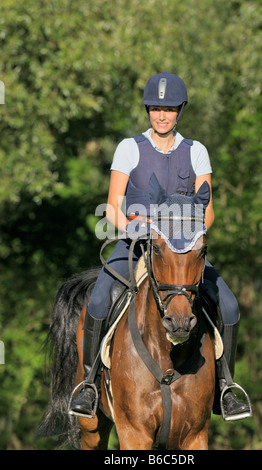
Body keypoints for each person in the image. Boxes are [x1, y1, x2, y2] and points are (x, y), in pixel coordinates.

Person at [70, 71, 251, 421]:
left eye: (168, 109)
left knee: (227, 305)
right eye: (155, 108)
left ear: (180, 110)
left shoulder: (196, 151)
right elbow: (112, 207)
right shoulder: (128, 148)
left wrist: (188, 232)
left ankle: (225, 388)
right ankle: (90, 384)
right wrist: (137, 228)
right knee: (96, 300)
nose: (161, 115)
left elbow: (208, 211)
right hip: (137, 246)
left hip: (182, 252)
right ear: (147, 110)